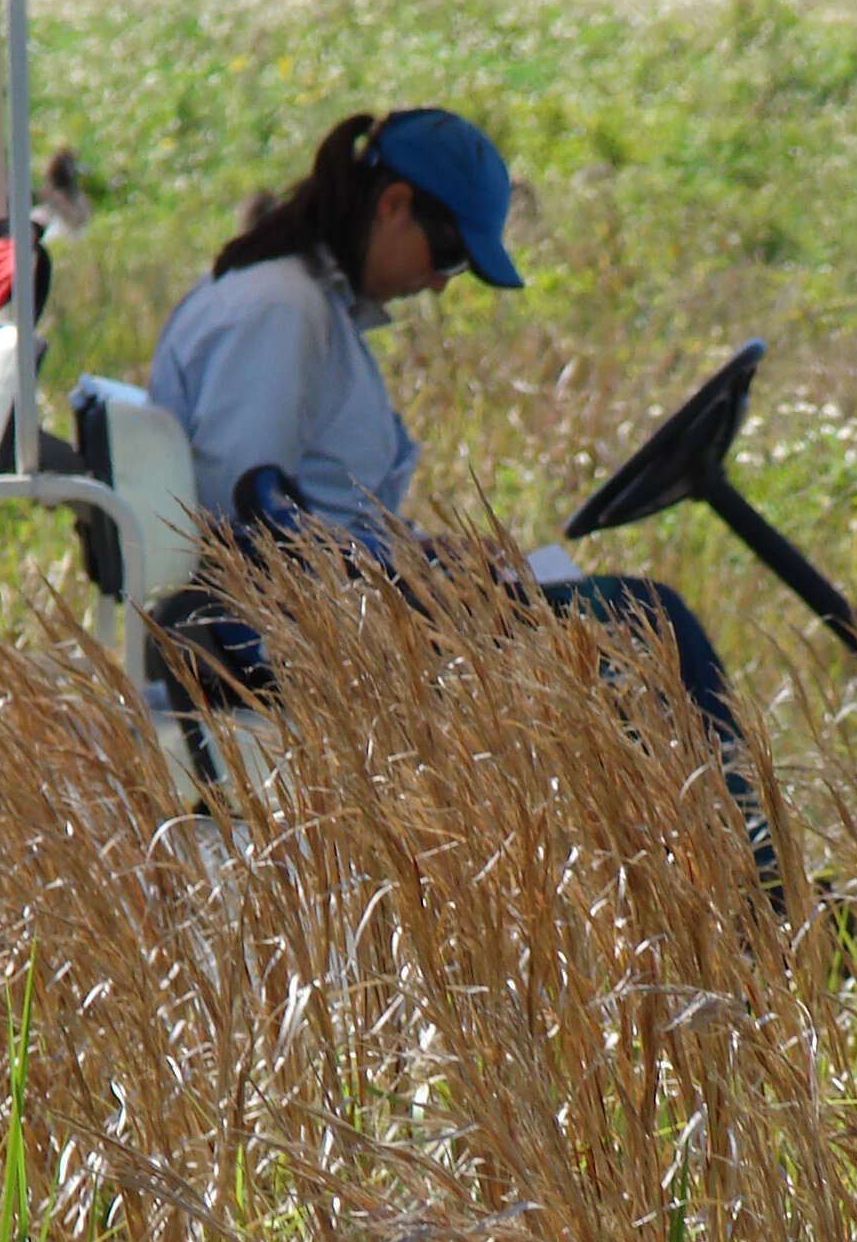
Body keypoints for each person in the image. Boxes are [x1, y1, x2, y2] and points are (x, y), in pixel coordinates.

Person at [147, 109, 760, 854]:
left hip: (324, 605)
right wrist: (421, 576)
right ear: (394, 204)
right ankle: (753, 884)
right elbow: (249, 518)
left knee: (626, 616)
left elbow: (294, 508)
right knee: (644, 623)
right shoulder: (280, 310)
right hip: (284, 629)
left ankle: (705, 872)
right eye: (446, 254)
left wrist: (424, 556)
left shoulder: (300, 304)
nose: (439, 283)